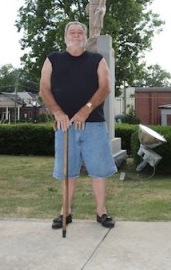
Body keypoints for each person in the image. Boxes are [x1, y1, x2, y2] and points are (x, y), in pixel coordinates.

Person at [39, 21, 117, 229]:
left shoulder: (97, 60)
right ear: (65, 37)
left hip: (94, 125)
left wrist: (86, 109)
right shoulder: (52, 59)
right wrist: (57, 111)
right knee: (67, 172)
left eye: (80, 32)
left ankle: (101, 212)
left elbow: (105, 87)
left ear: (85, 37)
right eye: (72, 32)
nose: (76, 35)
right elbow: (44, 89)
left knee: (99, 171)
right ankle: (66, 212)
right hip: (64, 127)